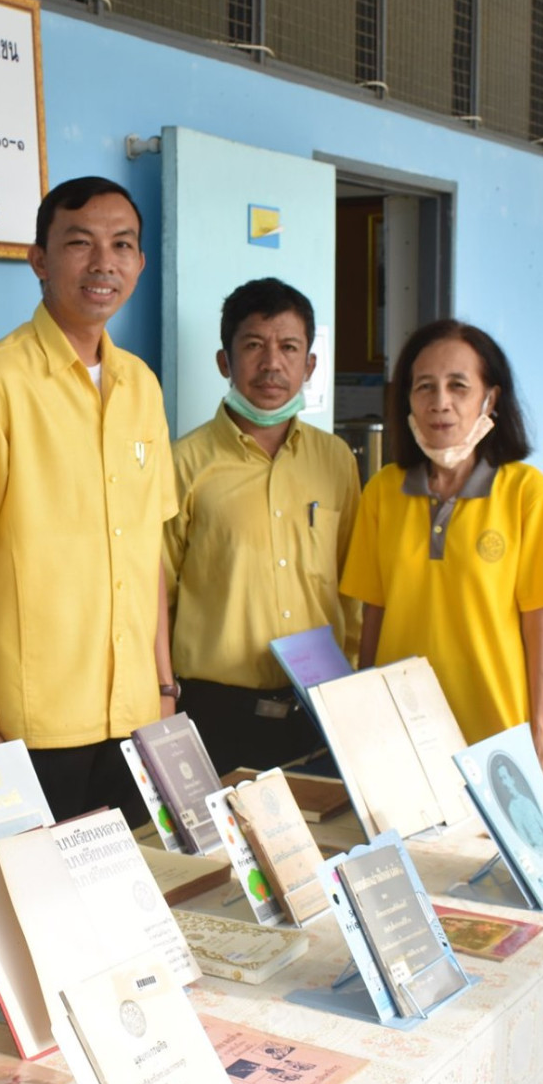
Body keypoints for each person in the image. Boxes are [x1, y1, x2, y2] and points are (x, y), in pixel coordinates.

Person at [0, 176, 177, 825]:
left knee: (127, 902)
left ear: (139, 263)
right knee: (33, 915)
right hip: (29, 727)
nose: (103, 263)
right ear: (39, 259)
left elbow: (147, 553)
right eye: (79, 243)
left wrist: (162, 689)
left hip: (133, 717)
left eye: (122, 245)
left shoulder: (142, 387)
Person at [341, 319, 543, 764]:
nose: (440, 403)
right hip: (400, 732)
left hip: (496, 733)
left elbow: (538, 626)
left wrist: (542, 732)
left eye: (458, 386)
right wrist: (361, 717)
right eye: (424, 387)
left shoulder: (527, 492)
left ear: (491, 398)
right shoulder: (382, 492)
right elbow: (375, 616)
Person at [165, 277, 361, 776]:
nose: (272, 364)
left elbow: (354, 586)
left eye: (289, 347)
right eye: (253, 346)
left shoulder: (335, 460)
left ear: (309, 365)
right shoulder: (185, 463)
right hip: (215, 711)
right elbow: (156, 594)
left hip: (321, 707)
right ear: (224, 362)